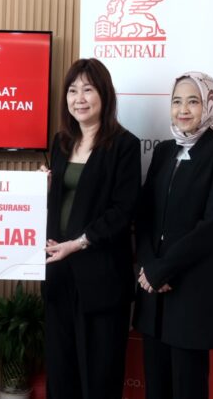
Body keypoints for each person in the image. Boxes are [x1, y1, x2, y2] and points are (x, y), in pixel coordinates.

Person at [133, 72, 213, 399]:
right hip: (153, 292)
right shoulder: (164, 151)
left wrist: (163, 270)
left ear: (208, 104)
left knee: (188, 387)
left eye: (193, 101)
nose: (183, 110)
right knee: (156, 387)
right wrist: (148, 267)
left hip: (192, 289)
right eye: (177, 101)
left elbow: (212, 225)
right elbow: (144, 214)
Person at [40, 58, 141, 399]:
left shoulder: (124, 145)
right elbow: (58, 204)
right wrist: (43, 189)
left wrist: (79, 243)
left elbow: (123, 210)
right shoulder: (61, 142)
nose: (79, 98)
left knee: (100, 378)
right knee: (61, 374)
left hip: (102, 280)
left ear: (104, 94)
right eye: (72, 90)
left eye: (87, 89)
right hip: (59, 276)